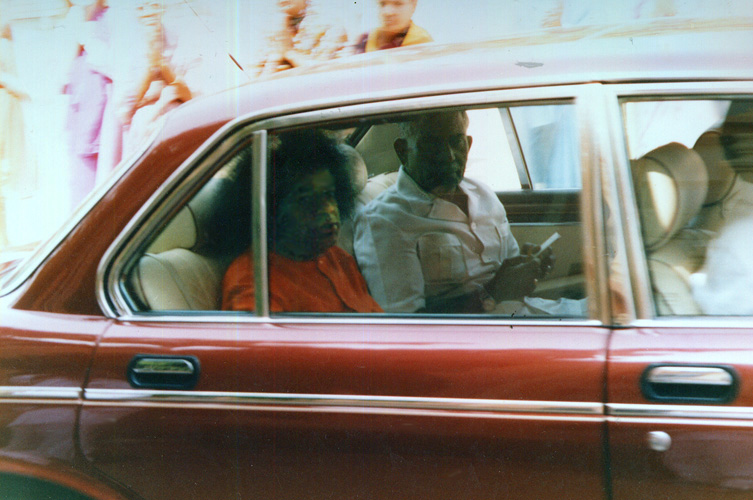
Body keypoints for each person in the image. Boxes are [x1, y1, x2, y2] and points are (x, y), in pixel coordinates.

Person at [354, 110, 574, 315]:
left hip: (529, 314)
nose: (448, 156)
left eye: (455, 141)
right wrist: (492, 292)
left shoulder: (484, 194)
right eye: (432, 144)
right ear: (403, 151)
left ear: (468, 145)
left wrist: (528, 266)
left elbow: (509, 270)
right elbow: (407, 326)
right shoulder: (385, 220)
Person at [222, 130, 382, 313]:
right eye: (306, 200)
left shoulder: (338, 258)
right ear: (271, 210)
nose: (328, 210)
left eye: (329, 195)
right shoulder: (254, 281)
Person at [256, 0, 348, 78]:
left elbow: (325, 76)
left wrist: (289, 52)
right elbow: (257, 84)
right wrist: (274, 61)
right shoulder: (274, 31)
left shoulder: (330, 25)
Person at [353, 0, 432, 54]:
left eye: (398, 3)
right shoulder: (364, 40)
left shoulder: (421, 42)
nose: (388, 12)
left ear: (414, 5)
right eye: (382, 4)